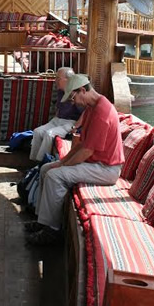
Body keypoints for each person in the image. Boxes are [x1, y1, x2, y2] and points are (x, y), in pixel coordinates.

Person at [26, 74, 123, 246]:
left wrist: (62, 165)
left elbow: (86, 151)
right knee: (45, 169)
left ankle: (53, 231)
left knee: (55, 176)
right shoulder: (92, 107)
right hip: (95, 163)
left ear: (83, 90)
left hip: (106, 169)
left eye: (73, 96)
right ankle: (43, 221)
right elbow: (81, 144)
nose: (73, 101)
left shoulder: (102, 111)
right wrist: (61, 162)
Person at [29, 67, 83, 162]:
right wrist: (53, 120)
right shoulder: (60, 91)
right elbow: (59, 108)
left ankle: (40, 163)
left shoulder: (78, 91)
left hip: (71, 122)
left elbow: (86, 111)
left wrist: (76, 126)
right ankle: (32, 161)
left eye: (58, 78)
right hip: (57, 120)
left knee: (49, 134)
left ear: (68, 79)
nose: (55, 81)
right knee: (37, 131)